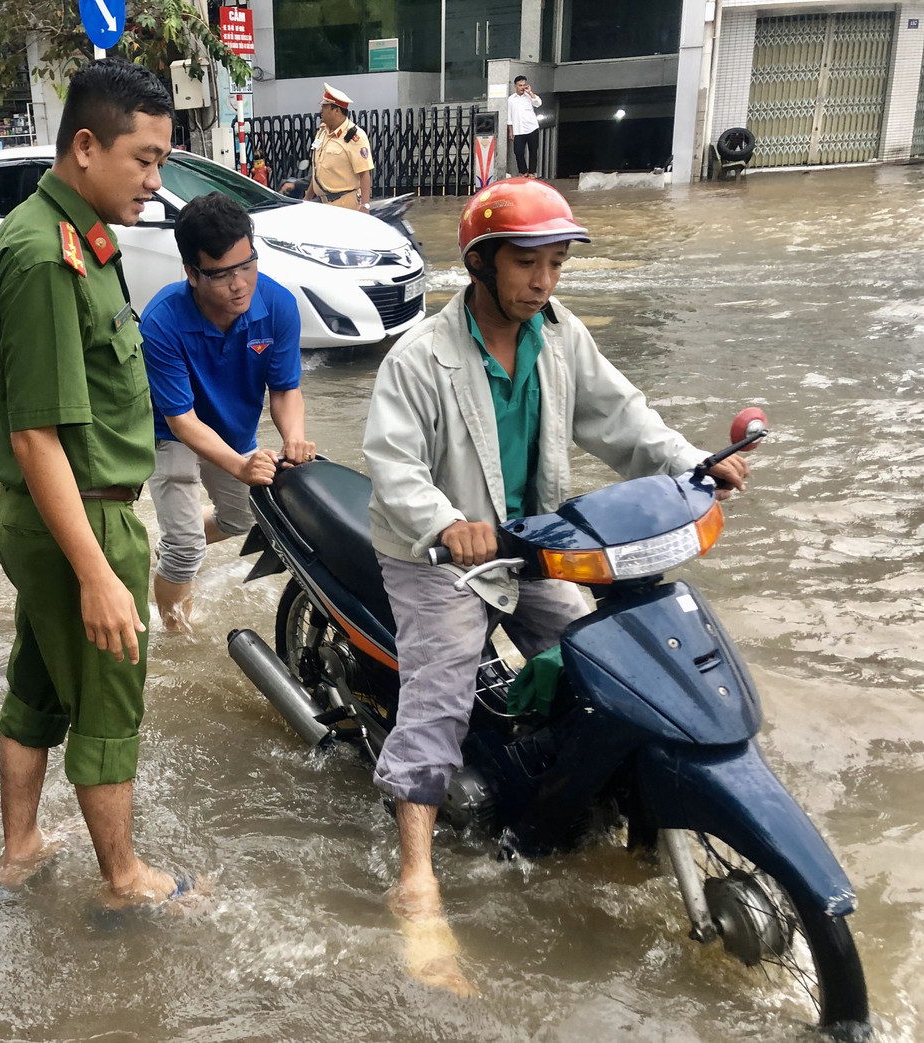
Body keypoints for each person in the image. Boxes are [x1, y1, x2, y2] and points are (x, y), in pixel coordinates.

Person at [361, 178, 749, 993]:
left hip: (527, 542)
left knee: (600, 655)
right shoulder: (418, 357)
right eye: (528, 263)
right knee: (437, 695)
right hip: (437, 555)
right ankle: (417, 881)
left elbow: (623, 417)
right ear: (480, 262)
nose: (544, 281)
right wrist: (444, 523)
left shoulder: (559, 335)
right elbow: (392, 467)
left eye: (556, 263)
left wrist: (695, 465)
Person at [0, 59, 198, 907]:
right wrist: (101, 575)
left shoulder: (79, 240)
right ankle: (124, 880)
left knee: (37, 680)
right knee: (108, 696)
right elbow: (35, 436)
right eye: (142, 158)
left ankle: (23, 846)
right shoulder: (44, 255)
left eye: (160, 159)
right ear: (84, 147)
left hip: (63, 515)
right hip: (79, 519)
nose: (155, 178)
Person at [140, 193, 314, 632]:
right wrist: (239, 465)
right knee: (185, 552)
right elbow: (182, 420)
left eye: (247, 265)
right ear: (192, 274)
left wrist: (294, 435)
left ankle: (173, 545)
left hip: (233, 431)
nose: (240, 284)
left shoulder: (276, 306)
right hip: (171, 433)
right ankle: (178, 642)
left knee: (240, 520)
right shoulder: (162, 321)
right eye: (222, 274)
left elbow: (286, 390)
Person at [303, 83, 373, 211]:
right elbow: (318, 172)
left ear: (336, 110)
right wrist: (307, 199)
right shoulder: (322, 132)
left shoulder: (355, 137)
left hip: (346, 205)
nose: (320, 111)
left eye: (324, 107)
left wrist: (365, 205)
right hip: (323, 204)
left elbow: (364, 174)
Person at [507, 75, 542, 177]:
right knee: (518, 151)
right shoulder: (511, 99)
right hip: (518, 129)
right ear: (515, 86)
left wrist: (530, 93)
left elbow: (538, 103)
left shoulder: (529, 96)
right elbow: (509, 116)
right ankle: (523, 171)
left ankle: (532, 172)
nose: (522, 87)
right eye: (520, 85)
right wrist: (510, 130)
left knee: (533, 151)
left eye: (524, 85)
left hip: (532, 128)